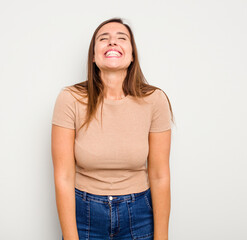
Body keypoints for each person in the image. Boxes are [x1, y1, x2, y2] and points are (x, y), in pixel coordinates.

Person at [51, 17, 175, 240]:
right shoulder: (70, 99)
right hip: (84, 212)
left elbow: (159, 175)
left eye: (121, 38)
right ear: (93, 55)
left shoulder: (155, 100)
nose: (112, 43)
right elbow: (63, 176)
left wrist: (162, 237)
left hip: (138, 212)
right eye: (104, 39)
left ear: (132, 55)